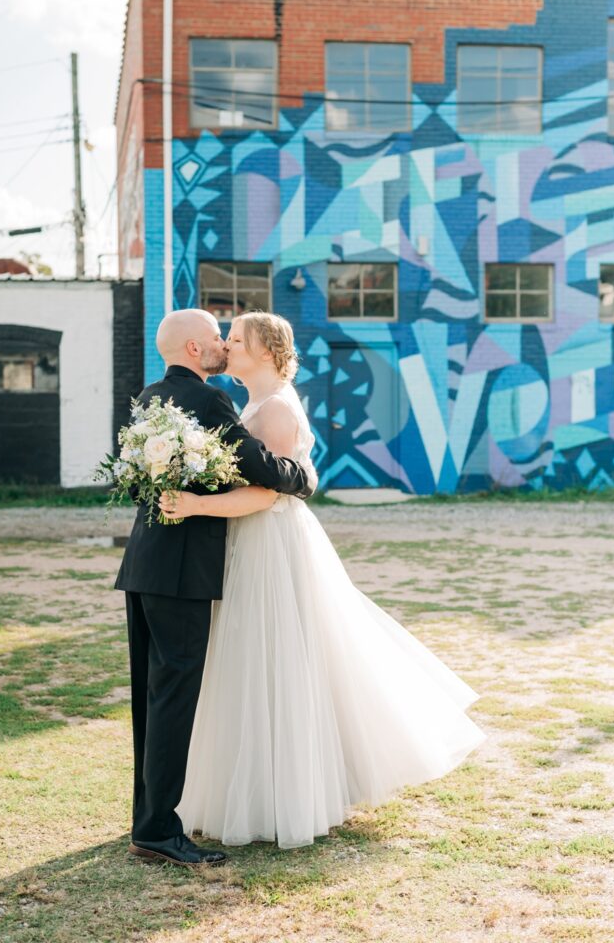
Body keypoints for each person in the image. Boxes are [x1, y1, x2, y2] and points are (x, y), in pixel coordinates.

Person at [160, 311, 487, 849]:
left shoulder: (275, 412)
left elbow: (268, 494)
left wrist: (194, 503)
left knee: (276, 665)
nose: (227, 344)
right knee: (255, 665)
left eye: (236, 339)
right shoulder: (257, 403)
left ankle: (281, 796)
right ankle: (262, 788)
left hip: (270, 543)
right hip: (254, 540)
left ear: (265, 351)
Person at [114, 308, 315, 867]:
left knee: (151, 701)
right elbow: (261, 467)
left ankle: (146, 822)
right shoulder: (206, 401)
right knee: (175, 699)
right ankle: (157, 829)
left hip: (144, 563)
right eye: (217, 339)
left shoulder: (149, 400)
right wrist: (304, 476)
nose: (225, 345)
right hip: (181, 571)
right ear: (197, 351)